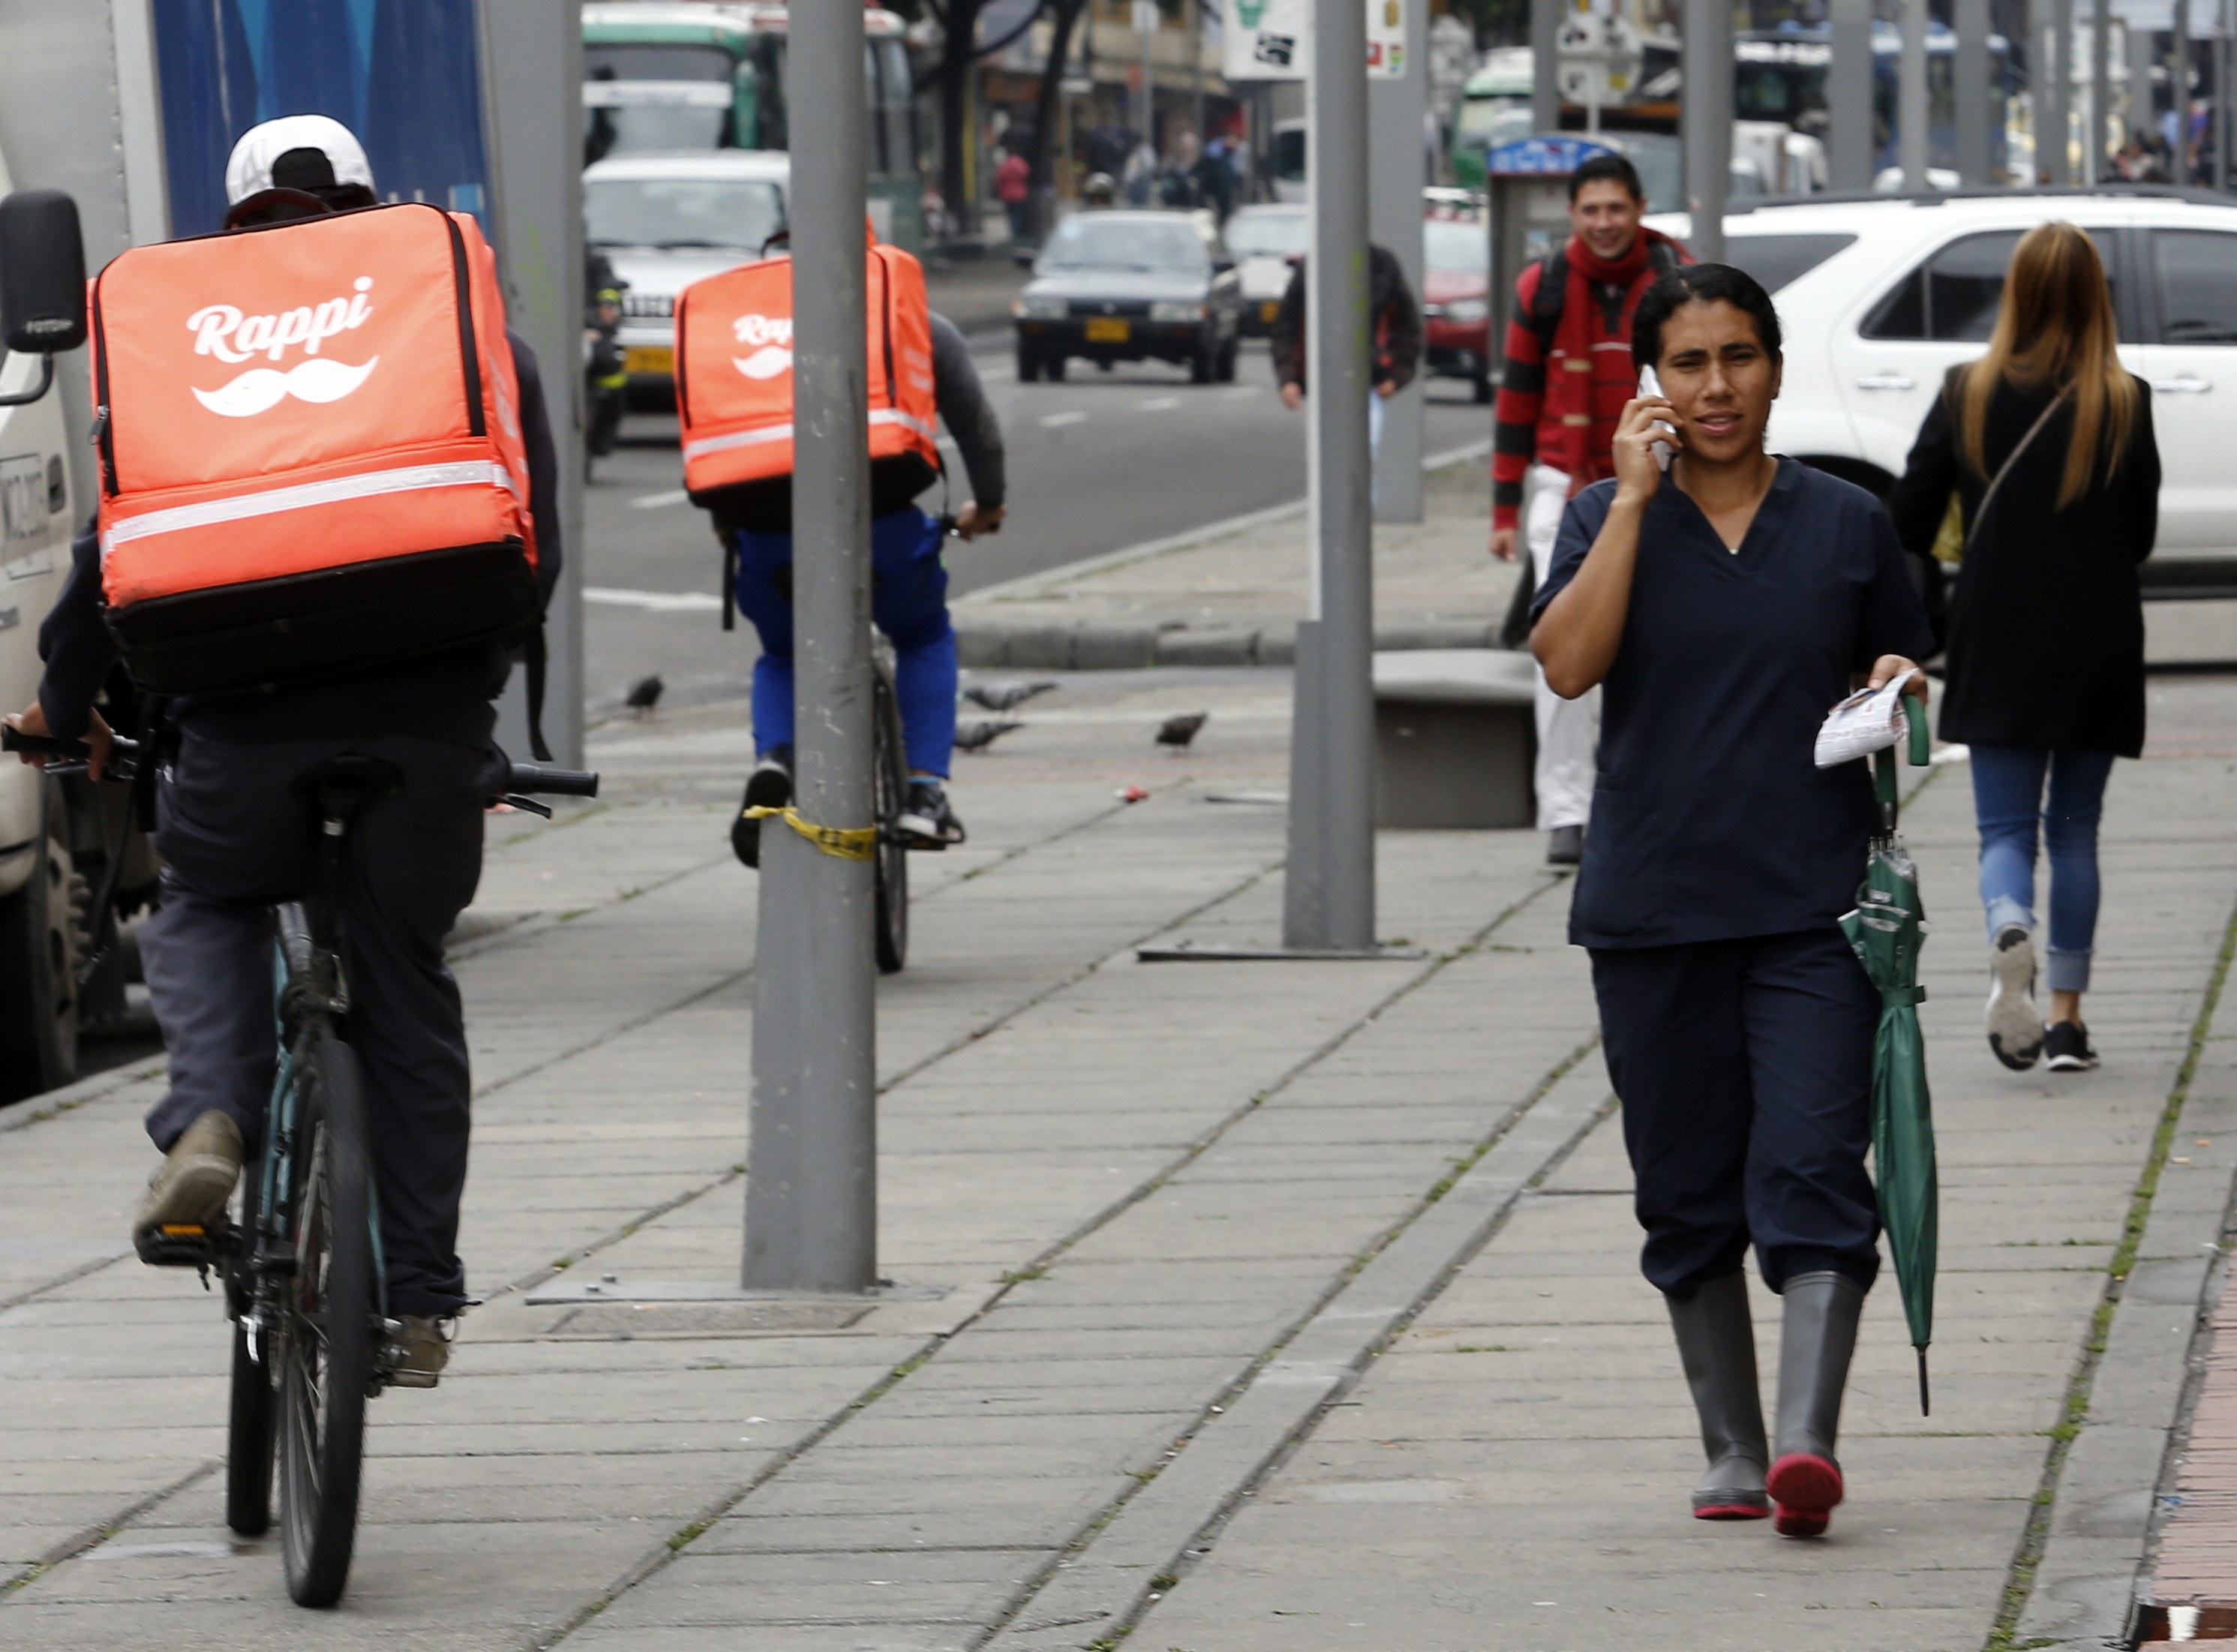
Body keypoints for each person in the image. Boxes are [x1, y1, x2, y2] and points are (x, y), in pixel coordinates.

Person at [3, 116, 563, 1388]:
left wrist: (58, 706)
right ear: (374, 205)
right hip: (423, 736)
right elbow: (534, 553)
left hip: (241, 729)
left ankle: (210, 1114)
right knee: (407, 992)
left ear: (237, 220)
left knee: (204, 905)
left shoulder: (179, 343)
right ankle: (416, 1300)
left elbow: (110, 570)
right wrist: (466, 705)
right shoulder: (472, 332)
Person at [1530, 263, 1935, 1537]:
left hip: (1811, 904)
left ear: (1774, 364)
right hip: (1651, 909)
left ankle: (1807, 1445)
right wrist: (1637, 505)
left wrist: (1897, 680)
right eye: (1690, 363)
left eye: (1739, 357)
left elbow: (1906, 662)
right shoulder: (1605, 515)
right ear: (1654, 380)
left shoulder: (1842, 522)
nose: (1717, 387)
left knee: (1816, 1160)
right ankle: (1730, 1447)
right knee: (1685, 1180)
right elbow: (1568, 662)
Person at [1884, 223, 2157, 1074]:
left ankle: (2011, 922)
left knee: (2005, 828)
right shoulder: (2125, 396)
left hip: (1998, 634)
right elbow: (2139, 533)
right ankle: (2069, 1024)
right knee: (2076, 834)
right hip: (2097, 641)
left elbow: (1906, 517)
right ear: (2096, 295)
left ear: (2016, 292)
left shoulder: (1967, 388)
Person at [723, 309, 1007, 863]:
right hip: (884, 528)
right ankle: (924, 792)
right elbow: (977, 425)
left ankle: (775, 757)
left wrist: (726, 524)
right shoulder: (917, 321)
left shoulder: (737, 323)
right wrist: (989, 504)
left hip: (769, 537)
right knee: (924, 636)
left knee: (783, 655)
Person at [1490, 152, 1690, 867]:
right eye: (1590, 211)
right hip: (1564, 487)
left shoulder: (1677, 278)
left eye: (1616, 208)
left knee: (1667, 645)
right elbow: (1516, 398)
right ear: (1573, 216)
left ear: (1639, 207)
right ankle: (1567, 813)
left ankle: (1660, 798)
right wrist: (1503, 507)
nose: (1604, 223)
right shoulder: (1542, 286)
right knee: (1567, 651)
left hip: (1661, 482)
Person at [1270, 244, 1422, 480]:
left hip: (1371, 378)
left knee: (1364, 452)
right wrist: (1288, 379)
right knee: (1329, 455)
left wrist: (1396, 376)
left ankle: (1361, 508)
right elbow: (1286, 327)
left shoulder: (1382, 265)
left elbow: (1408, 327)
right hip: (1323, 376)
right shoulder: (1311, 267)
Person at [995, 145, 1032, 242]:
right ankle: (1017, 233)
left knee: (1011, 215)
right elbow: (1027, 174)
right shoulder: (1021, 164)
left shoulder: (1005, 165)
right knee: (1018, 215)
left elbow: (999, 179)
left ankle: (1013, 232)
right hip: (1020, 195)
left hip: (1008, 195)